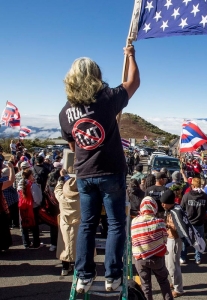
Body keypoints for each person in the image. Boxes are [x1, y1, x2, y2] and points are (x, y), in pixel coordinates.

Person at [59, 45, 140, 293]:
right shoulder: (107, 99)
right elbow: (133, 82)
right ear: (95, 76)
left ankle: (83, 275)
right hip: (110, 172)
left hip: (84, 174)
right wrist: (130, 56)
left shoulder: (64, 112)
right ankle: (112, 276)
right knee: (116, 225)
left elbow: (74, 144)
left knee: (87, 225)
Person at [131, 197, 173, 300]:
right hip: (157, 258)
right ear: (154, 207)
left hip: (140, 258)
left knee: (145, 286)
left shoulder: (134, 222)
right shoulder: (159, 222)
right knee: (163, 282)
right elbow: (164, 239)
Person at [180, 178, 207, 264]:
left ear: (192, 185)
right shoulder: (205, 196)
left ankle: (183, 257)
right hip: (200, 222)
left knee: (185, 239)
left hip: (188, 222)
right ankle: (198, 258)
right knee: (198, 240)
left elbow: (181, 208)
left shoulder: (186, 195)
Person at [55, 171, 81, 276]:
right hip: (78, 224)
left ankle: (65, 267)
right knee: (78, 246)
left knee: (65, 245)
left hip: (65, 224)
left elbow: (57, 190)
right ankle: (78, 267)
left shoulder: (62, 197)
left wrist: (61, 179)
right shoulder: (81, 198)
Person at [160, 190, 185, 298]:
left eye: (164, 203)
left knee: (173, 266)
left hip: (174, 240)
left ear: (170, 202)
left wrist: (168, 225)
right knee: (169, 264)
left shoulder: (176, 212)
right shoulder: (171, 209)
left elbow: (179, 228)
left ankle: (178, 289)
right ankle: (173, 282)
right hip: (169, 239)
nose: (162, 205)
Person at [18, 169, 43, 249]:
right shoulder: (33, 185)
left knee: (24, 225)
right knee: (34, 226)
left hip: (23, 206)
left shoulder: (20, 183)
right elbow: (36, 198)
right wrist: (39, 203)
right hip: (32, 207)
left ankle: (26, 243)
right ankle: (36, 244)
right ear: (30, 176)